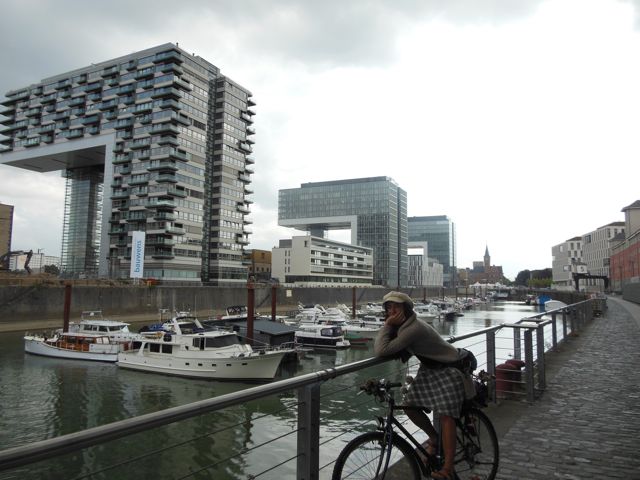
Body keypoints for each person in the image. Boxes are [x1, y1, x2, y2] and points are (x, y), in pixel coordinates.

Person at [373, 291, 470, 480]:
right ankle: (435, 439)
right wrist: (390, 327)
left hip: (449, 368)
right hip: (430, 368)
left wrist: (386, 326)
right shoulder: (403, 326)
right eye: (388, 307)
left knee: (445, 416)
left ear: (406, 310)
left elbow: (381, 350)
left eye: (397, 307)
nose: (391, 311)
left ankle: (448, 468)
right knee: (410, 406)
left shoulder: (413, 328)